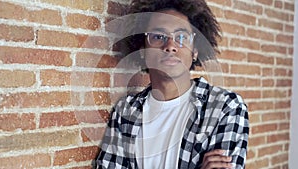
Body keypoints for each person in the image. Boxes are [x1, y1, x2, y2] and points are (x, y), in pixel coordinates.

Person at [96, 0, 249, 168]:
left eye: (181, 37)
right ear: (142, 50)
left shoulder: (225, 107)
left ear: (195, 51)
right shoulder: (125, 111)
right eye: (158, 37)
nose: (170, 46)